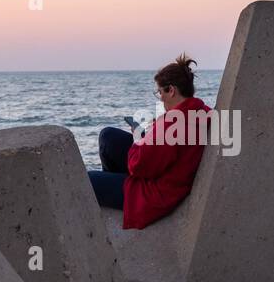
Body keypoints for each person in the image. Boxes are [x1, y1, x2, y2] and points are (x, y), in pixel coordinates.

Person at [88, 54, 212, 230]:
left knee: (87, 180)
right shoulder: (199, 110)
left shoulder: (173, 123)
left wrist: (140, 138)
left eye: (160, 92)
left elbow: (138, 166)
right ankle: (115, 183)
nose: (160, 98)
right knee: (108, 137)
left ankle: (119, 197)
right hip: (164, 173)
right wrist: (152, 133)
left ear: (172, 90)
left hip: (154, 191)